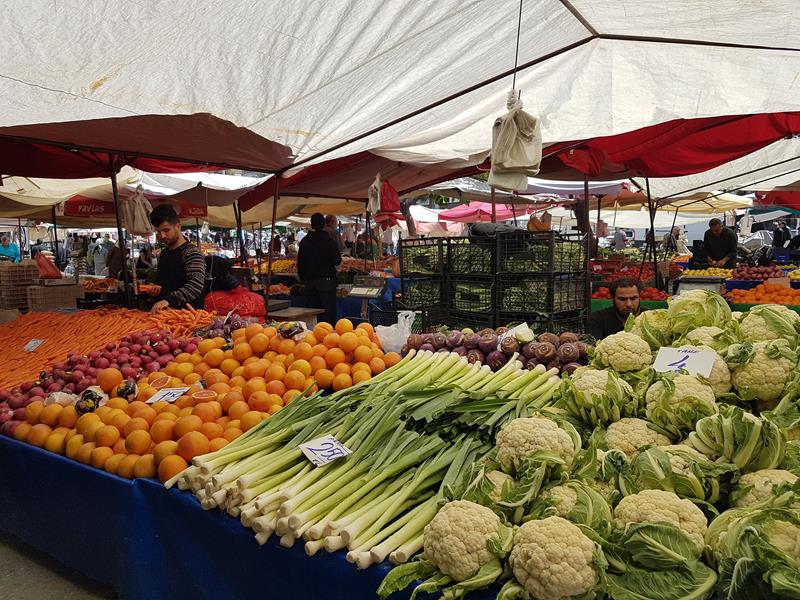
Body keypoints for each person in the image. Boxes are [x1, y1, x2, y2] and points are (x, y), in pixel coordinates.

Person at [149, 204, 207, 312]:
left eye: (166, 230)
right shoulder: (164, 253)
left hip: (190, 318)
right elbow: (164, 281)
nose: (162, 236)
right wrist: (156, 287)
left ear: (178, 227)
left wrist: (169, 300)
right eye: (158, 232)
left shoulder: (192, 253)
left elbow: (195, 285)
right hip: (166, 318)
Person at [297, 212, 341, 325]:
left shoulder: (304, 242)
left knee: (311, 316)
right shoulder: (329, 241)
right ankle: (327, 340)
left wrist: (304, 279)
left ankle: (312, 340)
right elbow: (337, 260)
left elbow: (300, 264)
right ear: (323, 224)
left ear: (311, 225)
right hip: (327, 283)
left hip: (310, 284)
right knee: (327, 316)